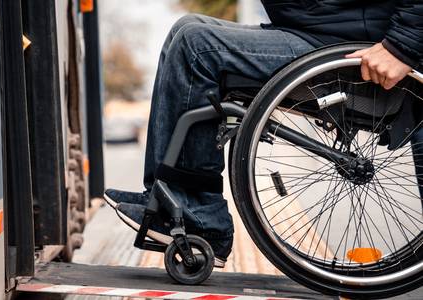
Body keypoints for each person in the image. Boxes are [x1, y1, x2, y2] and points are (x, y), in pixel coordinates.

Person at [104, 1, 423, 267]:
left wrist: (401, 45)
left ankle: (199, 216)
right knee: (185, 29)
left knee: (197, 47)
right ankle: (168, 201)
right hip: (323, 29)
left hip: (359, 44)